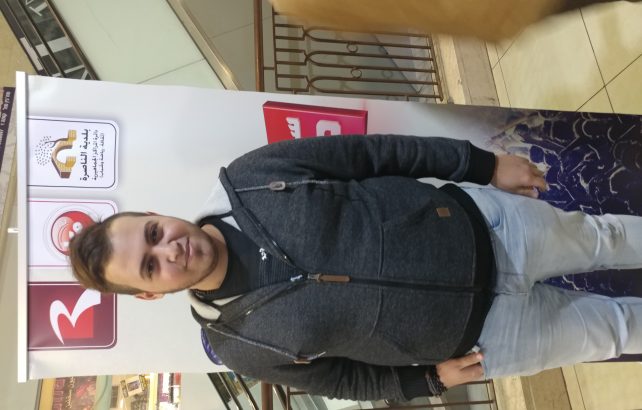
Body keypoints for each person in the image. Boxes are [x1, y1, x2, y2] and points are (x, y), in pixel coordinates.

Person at [69, 135, 642, 401]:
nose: (169, 250)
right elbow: (340, 381)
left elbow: (375, 153)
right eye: (150, 267)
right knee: (617, 332)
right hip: (488, 339)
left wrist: (482, 165)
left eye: (153, 232)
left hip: (490, 227)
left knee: (607, 238)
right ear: (149, 294)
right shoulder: (238, 345)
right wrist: (427, 382)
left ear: (156, 214)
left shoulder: (251, 178)